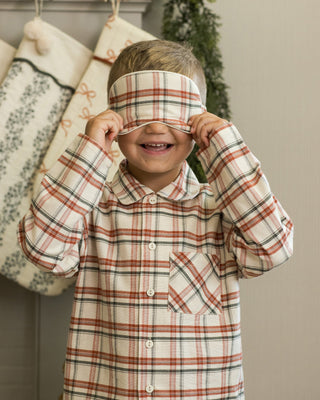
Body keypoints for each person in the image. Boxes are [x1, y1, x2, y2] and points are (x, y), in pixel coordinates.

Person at [18, 40, 293, 400]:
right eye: (141, 112)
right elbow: (43, 248)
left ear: (197, 121)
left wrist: (225, 150)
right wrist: (89, 153)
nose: (156, 127)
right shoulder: (91, 208)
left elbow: (271, 248)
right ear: (116, 117)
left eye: (173, 113)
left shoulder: (221, 210)